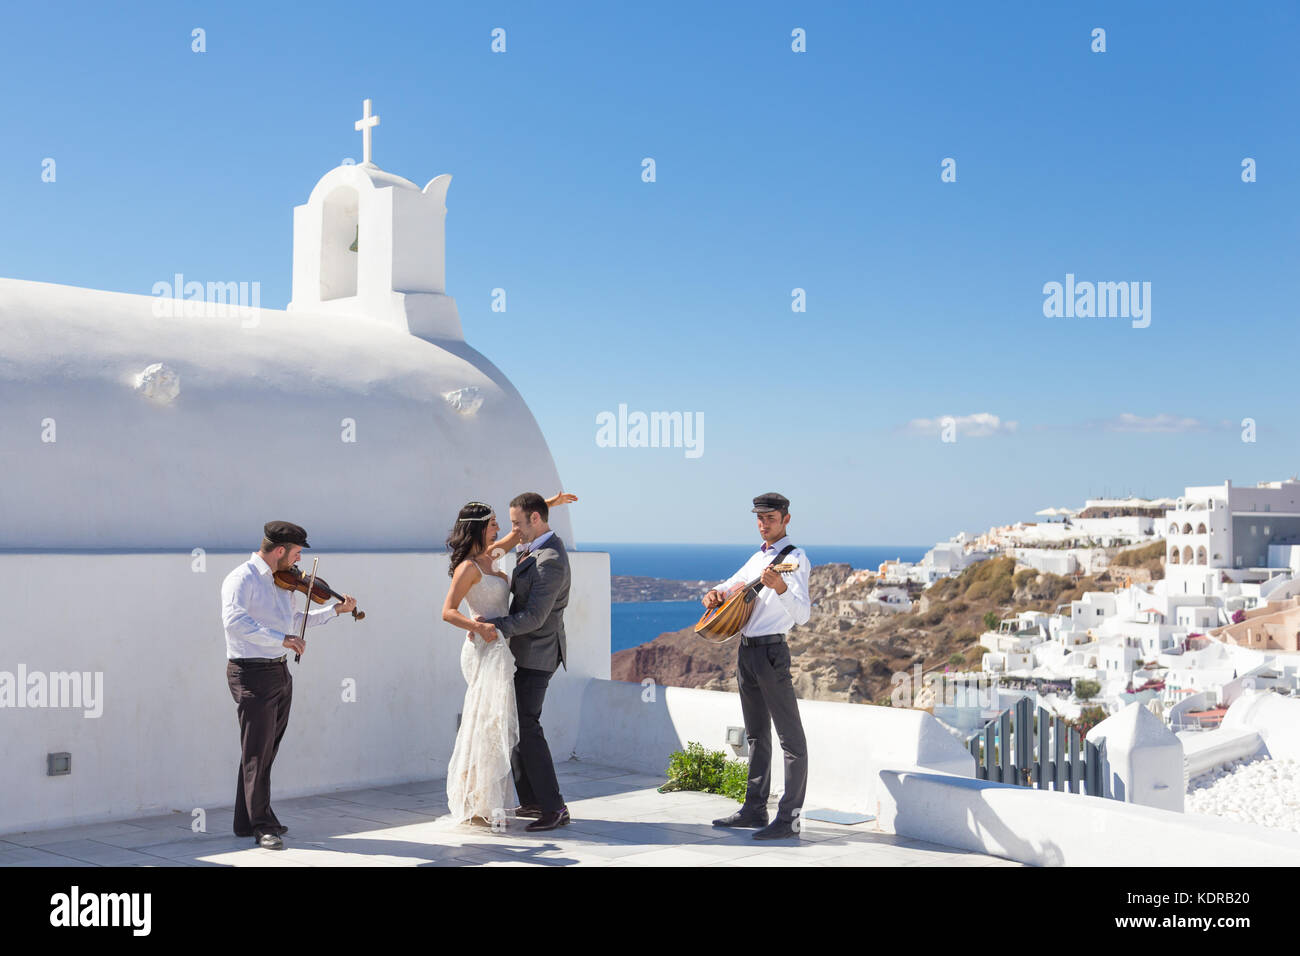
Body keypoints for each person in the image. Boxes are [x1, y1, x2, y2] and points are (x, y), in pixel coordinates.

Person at [440, 493, 576, 828]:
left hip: (512, 646)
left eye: (509, 522)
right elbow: (447, 611)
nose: (504, 529)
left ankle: (550, 806)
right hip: (488, 647)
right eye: (496, 524)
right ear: (479, 531)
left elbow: (534, 614)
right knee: (499, 723)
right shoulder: (474, 564)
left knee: (520, 725)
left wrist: (547, 505)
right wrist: (477, 626)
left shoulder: (497, 557)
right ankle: (528, 801)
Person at [220, 521, 356, 850]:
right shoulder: (242, 578)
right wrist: (281, 639)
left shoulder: (284, 583)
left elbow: (294, 622)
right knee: (257, 752)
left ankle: (246, 819)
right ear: (279, 551)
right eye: (295, 554)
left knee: (264, 750)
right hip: (250, 673)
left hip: (279, 672)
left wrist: (333, 611)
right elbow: (235, 622)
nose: (298, 562)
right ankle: (262, 825)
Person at [702, 493, 811, 840]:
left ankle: (789, 817)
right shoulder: (758, 557)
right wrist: (715, 594)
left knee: (790, 740)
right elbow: (732, 583)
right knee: (755, 735)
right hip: (746, 652)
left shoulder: (795, 559)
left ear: (786, 519)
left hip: (772, 653)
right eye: (760, 518)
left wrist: (780, 588)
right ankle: (754, 808)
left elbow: (803, 615)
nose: (764, 524)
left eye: (771, 518)